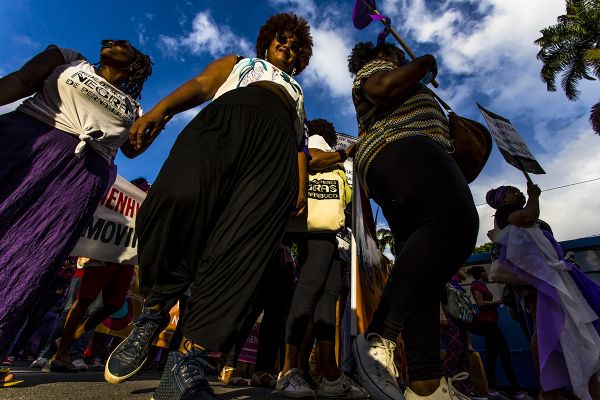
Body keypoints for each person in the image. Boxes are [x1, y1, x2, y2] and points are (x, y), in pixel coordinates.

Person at [103, 13, 313, 400]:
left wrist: (299, 188)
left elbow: (300, 146)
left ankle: (188, 366)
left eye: (296, 45)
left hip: (274, 152)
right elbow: (201, 84)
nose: (288, 45)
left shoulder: (297, 95)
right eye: (281, 38)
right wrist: (159, 110)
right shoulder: (241, 65)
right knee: (174, 199)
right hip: (225, 123)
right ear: (266, 43)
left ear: (300, 58)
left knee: (239, 251)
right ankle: (152, 312)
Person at [0, 39, 153, 353]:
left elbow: (133, 149)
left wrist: (157, 124)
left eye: (122, 43)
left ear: (135, 64)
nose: (110, 41)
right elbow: (21, 80)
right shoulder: (69, 58)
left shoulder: (134, 108)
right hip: (28, 140)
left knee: (30, 253)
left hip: (80, 177)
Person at [347, 41, 479, 400]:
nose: (399, 61)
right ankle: (379, 336)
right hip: (402, 149)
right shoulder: (374, 72)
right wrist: (427, 61)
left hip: (407, 162)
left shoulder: (411, 88)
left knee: (422, 277)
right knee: (457, 223)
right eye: (396, 58)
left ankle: (426, 386)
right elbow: (383, 89)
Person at [276, 118, 366, 399]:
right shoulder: (317, 142)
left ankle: (330, 374)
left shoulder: (336, 160)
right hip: (316, 230)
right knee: (308, 289)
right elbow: (311, 160)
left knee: (327, 298)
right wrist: (344, 153)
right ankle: (288, 371)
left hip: (332, 235)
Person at [487, 183, 600, 400]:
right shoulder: (508, 215)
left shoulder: (537, 223)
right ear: (502, 201)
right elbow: (528, 218)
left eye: (518, 190)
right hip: (536, 284)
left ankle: (569, 382)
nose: (518, 192)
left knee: (560, 329)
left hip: (553, 279)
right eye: (512, 191)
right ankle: (550, 388)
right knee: (546, 329)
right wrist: (533, 196)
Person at [467, 266, 531, 400]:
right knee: (504, 354)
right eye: (485, 272)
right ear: (481, 274)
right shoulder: (476, 285)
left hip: (491, 323)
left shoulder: (481, 284)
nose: (487, 274)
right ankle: (516, 390)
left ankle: (492, 389)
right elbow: (480, 303)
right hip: (488, 323)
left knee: (492, 356)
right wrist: (499, 301)